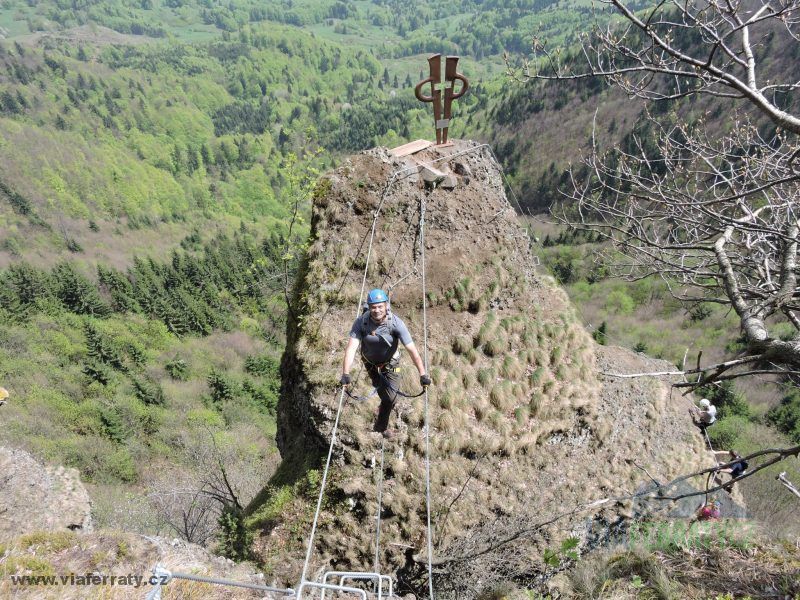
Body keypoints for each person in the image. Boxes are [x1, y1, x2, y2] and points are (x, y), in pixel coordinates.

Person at [340, 288, 431, 438]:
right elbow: (351, 349)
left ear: (386, 306)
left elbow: (412, 350)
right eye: (373, 307)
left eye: (380, 306)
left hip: (391, 365)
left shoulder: (396, 324)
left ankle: (380, 427)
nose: (377, 310)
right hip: (370, 364)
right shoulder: (361, 323)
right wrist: (345, 374)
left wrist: (423, 374)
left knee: (391, 398)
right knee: (382, 391)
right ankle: (382, 410)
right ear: (369, 308)